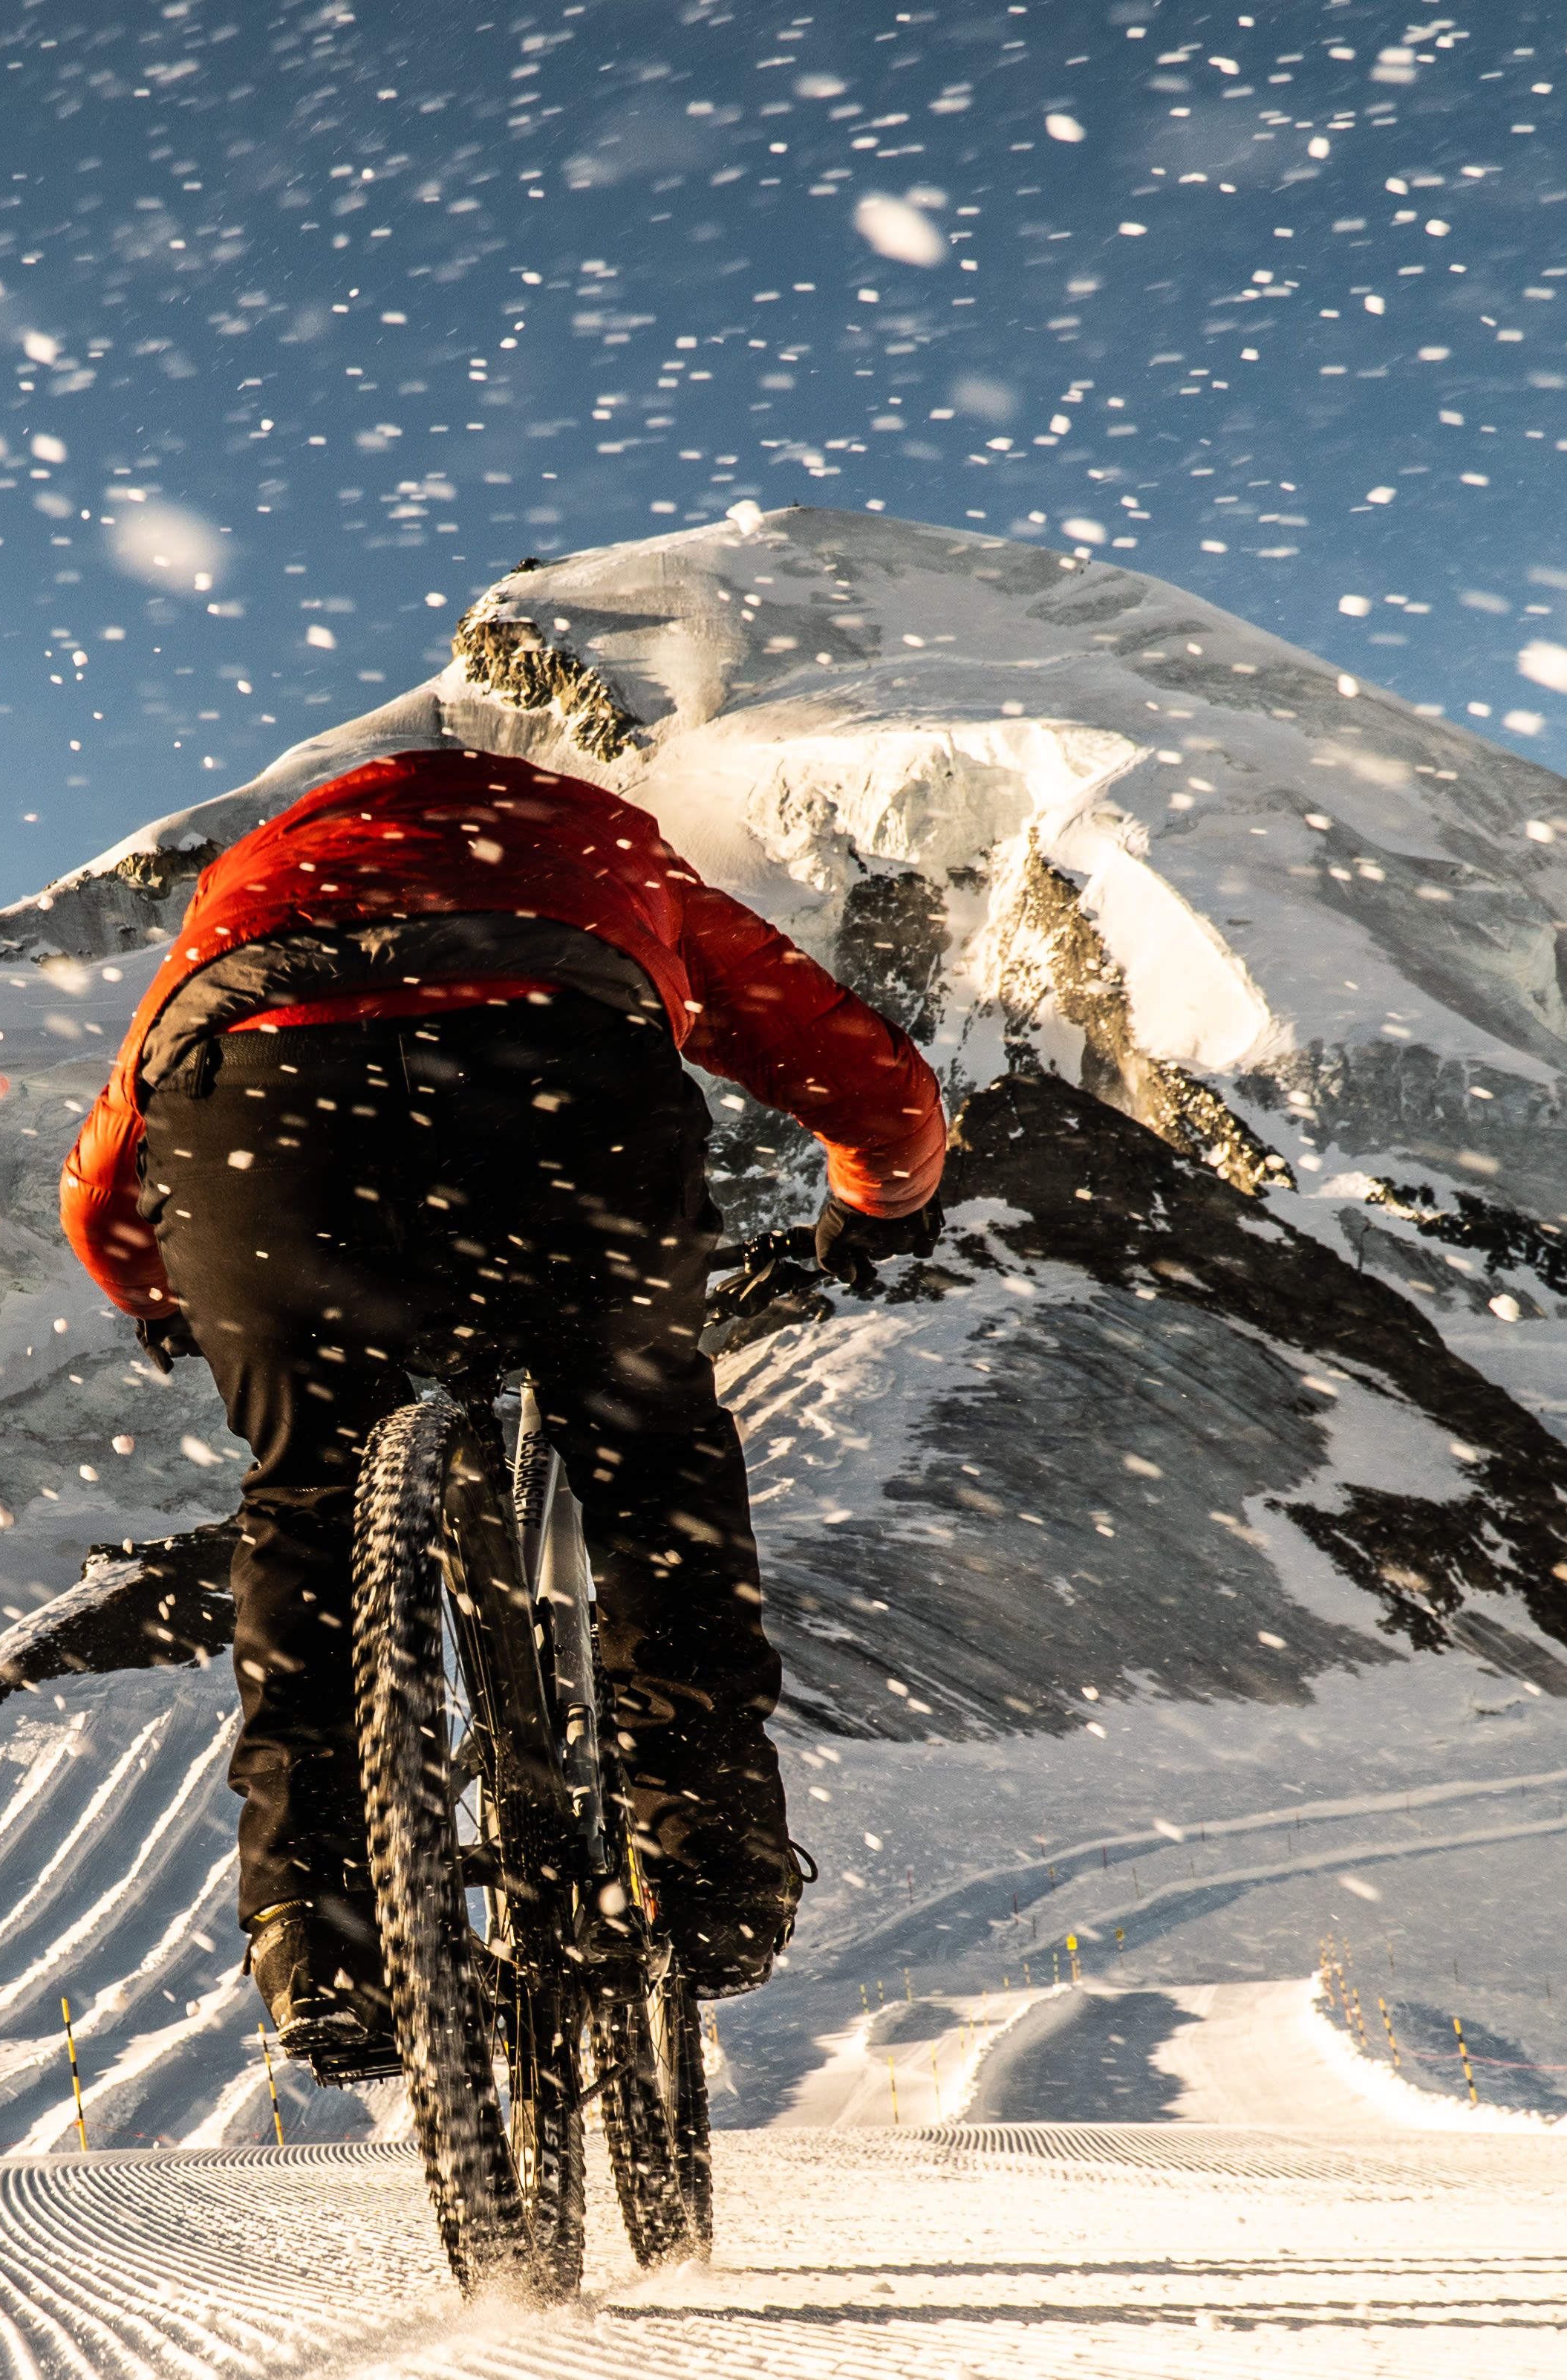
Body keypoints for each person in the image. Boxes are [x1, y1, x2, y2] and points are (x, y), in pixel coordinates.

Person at [57, 747, 949, 2076]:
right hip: (558, 1107)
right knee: (649, 1457)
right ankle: (707, 1856)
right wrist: (881, 1200)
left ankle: (317, 1922)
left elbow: (111, 1155)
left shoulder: (255, 885)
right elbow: (861, 1072)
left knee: (308, 1491)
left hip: (266, 1136)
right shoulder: (611, 861)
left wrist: (156, 1286)